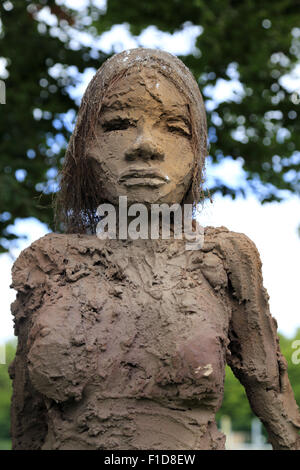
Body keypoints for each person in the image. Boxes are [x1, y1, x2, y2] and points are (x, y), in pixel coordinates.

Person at [10, 48, 300, 450]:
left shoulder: (224, 258)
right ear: (87, 147)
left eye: (175, 127)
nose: (145, 145)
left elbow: (279, 414)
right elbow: (27, 427)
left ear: (197, 154)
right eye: (118, 124)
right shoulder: (47, 263)